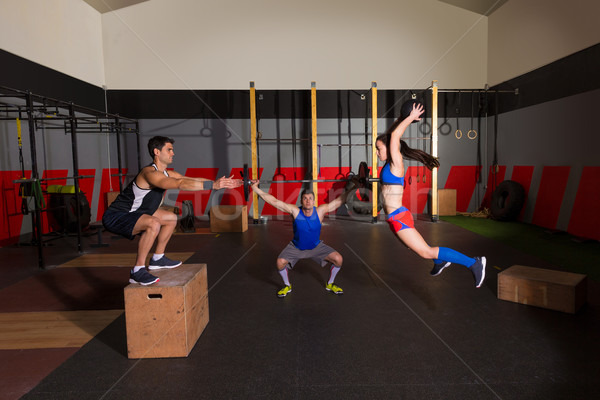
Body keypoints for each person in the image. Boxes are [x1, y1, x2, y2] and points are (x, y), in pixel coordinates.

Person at [102, 136, 243, 285]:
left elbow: (191, 180)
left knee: (170, 218)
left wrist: (221, 183)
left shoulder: (168, 173)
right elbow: (179, 184)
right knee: (153, 223)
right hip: (117, 215)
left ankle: (157, 258)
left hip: (138, 212)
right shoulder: (149, 173)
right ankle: (137, 270)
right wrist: (213, 186)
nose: (173, 153)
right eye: (169, 149)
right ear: (156, 151)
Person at [375, 101, 486, 287]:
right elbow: (390, 135)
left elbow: (394, 135)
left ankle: (474, 263)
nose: (377, 153)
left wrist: (409, 118)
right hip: (394, 217)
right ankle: (440, 261)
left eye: (379, 149)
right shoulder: (388, 166)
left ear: (390, 148)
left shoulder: (396, 163)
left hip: (398, 217)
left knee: (426, 251)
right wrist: (402, 118)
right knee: (413, 247)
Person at [251, 179, 359, 297]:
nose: (308, 201)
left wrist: (355, 187)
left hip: (316, 247)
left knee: (338, 259)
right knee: (280, 262)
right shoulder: (295, 211)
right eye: (305, 199)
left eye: (310, 199)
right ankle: (287, 285)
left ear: (314, 201)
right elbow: (274, 201)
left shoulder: (320, 211)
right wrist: (255, 188)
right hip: (296, 247)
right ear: (301, 201)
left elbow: (339, 200)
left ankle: (330, 284)